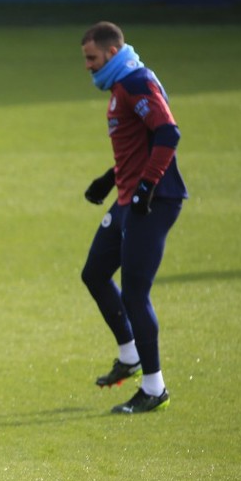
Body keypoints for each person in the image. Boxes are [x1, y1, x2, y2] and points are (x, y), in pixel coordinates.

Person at [79, 21, 188, 414]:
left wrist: (146, 187)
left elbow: (167, 133)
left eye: (92, 58)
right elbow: (138, 142)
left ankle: (154, 388)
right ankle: (129, 355)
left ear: (111, 52)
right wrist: (109, 180)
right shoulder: (120, 87)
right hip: (128, 197)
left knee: (136, 293)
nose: (88, 66)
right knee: (94, 272)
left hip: (152, 201)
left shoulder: (136, 82)